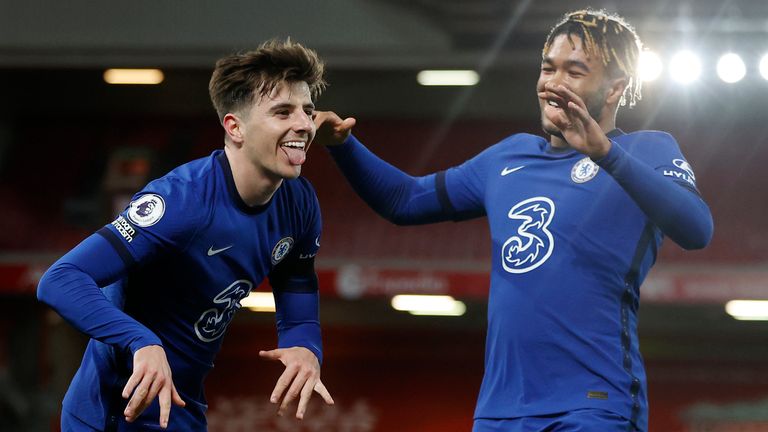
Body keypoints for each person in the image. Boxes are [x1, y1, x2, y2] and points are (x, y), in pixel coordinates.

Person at [315, 9, 713, 432]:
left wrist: (606, 155)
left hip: (594, 407)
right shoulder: (508, 157)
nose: (553, 83)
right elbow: (405, 200)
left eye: (574, 72)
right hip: (500, 412)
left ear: (615, 88)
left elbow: (697, 229)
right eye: (548, 68)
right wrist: (343, 145)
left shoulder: (646, 150)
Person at [37, 39, 334, 431]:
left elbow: (298, 289)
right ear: (235, 127)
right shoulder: (181, 201)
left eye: (307, 111)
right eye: (283, 112)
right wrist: (140, 340)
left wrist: (306, 348)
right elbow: (60, 280)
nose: (304, 124)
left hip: (180, 409)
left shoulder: (299, 204)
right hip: (113, 412)